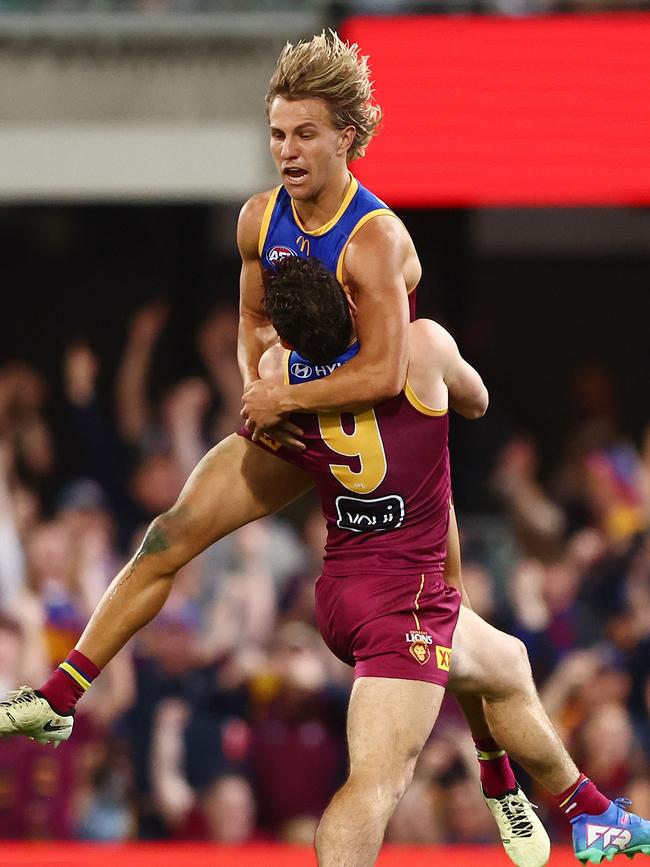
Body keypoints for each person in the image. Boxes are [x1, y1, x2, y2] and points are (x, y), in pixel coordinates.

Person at [0, 31, 568, 867]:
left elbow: (380, 368)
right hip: (300, 423)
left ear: (345, 135)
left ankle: (497, 776)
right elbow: (251, 322)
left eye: (304, 134)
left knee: (453, 612)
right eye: (276, 134)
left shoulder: (377, 238)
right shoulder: (259, 219)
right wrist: (256, 391)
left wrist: (286, 391)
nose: (287, 151)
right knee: (170, 532)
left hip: (390, 436)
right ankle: (60, 692)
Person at [247, 255, 650, 867]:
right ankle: (536, 791)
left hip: (345, 582)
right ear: (355, 303)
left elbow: (264, 415)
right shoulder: (422, 345)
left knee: (507, 661)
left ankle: (587, 810)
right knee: (377, 785)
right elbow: (478, 402)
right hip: (399, 600)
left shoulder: (279, 375)